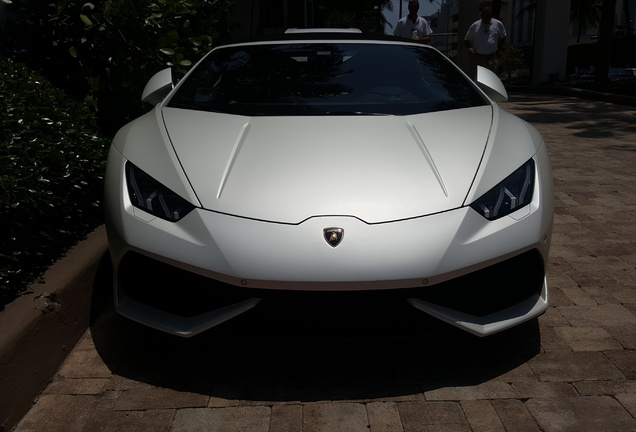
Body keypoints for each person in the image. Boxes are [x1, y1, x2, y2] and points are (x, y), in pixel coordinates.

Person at [464, 7, 507, 75]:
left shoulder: (498, 24)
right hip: (478, 57)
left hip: (491, 57)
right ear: (481, 16)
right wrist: (469, 48)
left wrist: (498, 47)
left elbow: (503, 36)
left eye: (488, 16)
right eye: (485, 16)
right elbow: (466, 40)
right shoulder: (475, 25)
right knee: (477, 76)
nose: (486, 18)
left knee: (491, 77)